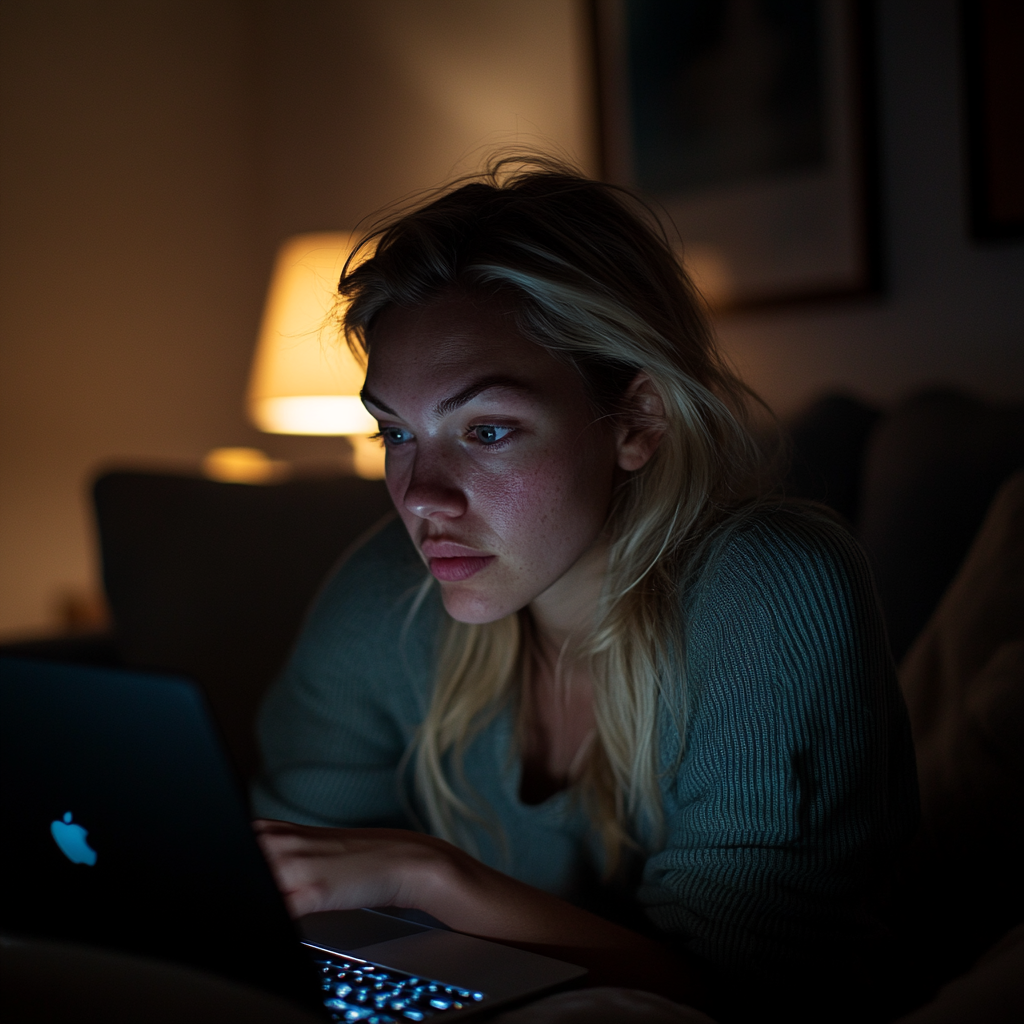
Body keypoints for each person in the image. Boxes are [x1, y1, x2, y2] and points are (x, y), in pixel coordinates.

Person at [251, 157, 918, 1021]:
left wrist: (430, 878)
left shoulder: (769, 590)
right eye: (397, 433)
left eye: (486, 430)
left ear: (636, 422)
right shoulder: (390, 588)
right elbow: (282, 884)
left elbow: (759, 1000)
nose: (420, 496)